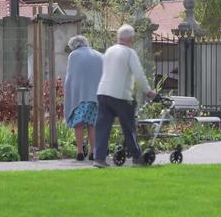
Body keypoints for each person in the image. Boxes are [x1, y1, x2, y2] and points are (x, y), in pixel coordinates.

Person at [94, 24, 156, 168]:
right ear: (131, 39)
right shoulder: (129, 53)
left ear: (118, 37)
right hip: (121, 95)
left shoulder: (109, 51)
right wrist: (148, 91)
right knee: (129, 126)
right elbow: (139, 74)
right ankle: (136, 157)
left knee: (103, 127)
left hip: (103, 92)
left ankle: (99, 159)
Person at [64, 35, 103, 161]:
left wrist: (68, 94)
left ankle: (80, 152)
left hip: (80, 96)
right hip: (95, 96)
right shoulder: (98, 55)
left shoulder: (73, 56)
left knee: (79, 124)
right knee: (92, 124)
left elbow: (70, 77)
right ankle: (93, 152)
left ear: (73, 46)